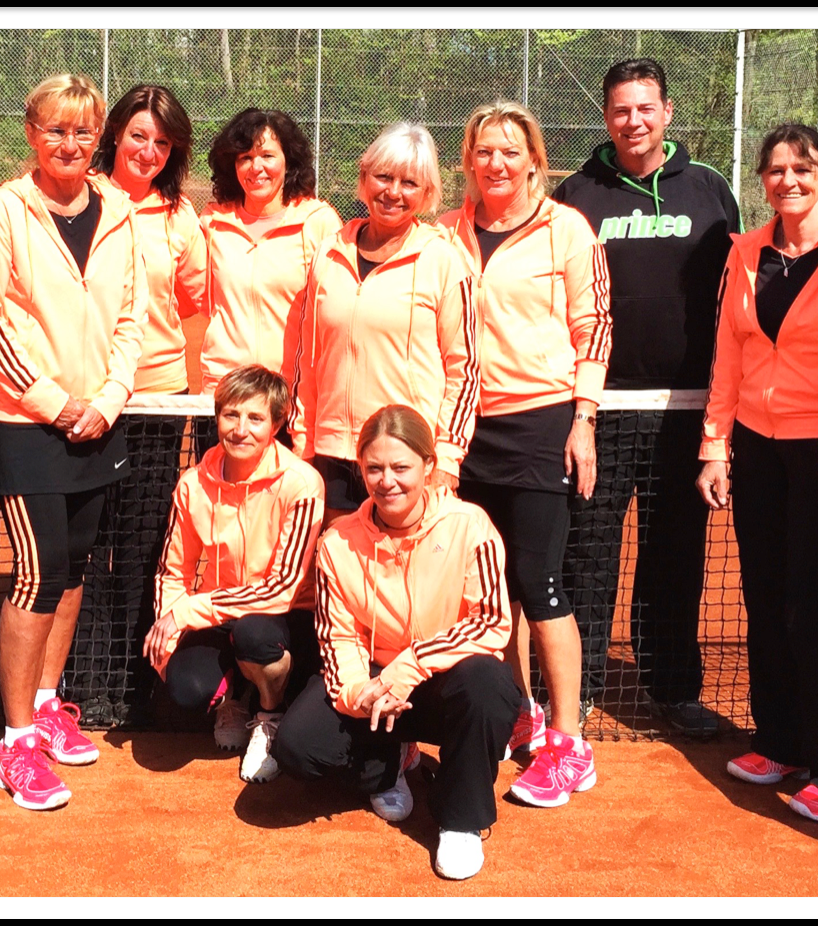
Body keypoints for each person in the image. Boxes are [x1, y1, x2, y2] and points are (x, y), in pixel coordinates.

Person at [695, 124, 818, 824]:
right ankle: (780, 740)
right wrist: (715, 445)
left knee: (815, 609)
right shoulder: (746, 251)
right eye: (776, 170)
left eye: (803, 168)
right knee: (764, 597)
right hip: (756, 445)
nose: (789, 181)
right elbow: (729, 352)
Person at [0, 73, 144, 811]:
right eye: (55, 130)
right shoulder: (2, 210)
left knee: (70, 573)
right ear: (31, 134)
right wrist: (54, 403)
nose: (69, 144)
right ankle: (14, 744)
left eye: (82, 131)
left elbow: (132, 315)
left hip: (99, 419)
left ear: (98, 138)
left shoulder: (120, 210)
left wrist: (107, 399)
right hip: (25, 423)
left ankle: (43, 706)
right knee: (37, 576)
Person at [553, 58, 740, 736]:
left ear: (666, 112)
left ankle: (673, 688)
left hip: (685, 412)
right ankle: (576, 688)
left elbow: (732, 293)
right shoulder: (576, 193)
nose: (633, 121)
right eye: (620, 110)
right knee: (587, 553)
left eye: (645, 108)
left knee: (674, 557)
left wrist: (721, 417)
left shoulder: (709, 188)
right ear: (605, 117)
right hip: (598, 409)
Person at [439, 100, 611, 807]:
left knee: (539, 582)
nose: (496, 163)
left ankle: (569, 742)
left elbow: (594, 325)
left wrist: (583, 418)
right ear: (468, 160)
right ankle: (520, 710)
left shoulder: (565, 228)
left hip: (542, 422)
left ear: (534, 159)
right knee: (492, 586)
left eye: (510, 150)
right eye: (484, 151)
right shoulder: (445, 231)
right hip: (465, 427)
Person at [273, 405, 519, 881]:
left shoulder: (470, 525)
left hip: (445, 679)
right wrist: (358, 695)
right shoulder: (336, 542)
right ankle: (388, 766)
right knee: (298, 746)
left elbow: (490, 622)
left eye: (401, 467)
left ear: (429, 465)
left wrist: (409, 668)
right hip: (377, 685)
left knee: (487, 683)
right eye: (375, 468)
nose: (387, 481)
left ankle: (461, 819)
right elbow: (338, 636)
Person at [82, 83, 208, 725]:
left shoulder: (181, 217)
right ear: (115, 135)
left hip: (158, 403)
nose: (148, 151)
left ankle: (130, 684)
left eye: (162, 142)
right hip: (88, 400)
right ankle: (82, 683)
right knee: (85, 544)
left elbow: (192, 308)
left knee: (140, 543)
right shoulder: (81, 197)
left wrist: (197, 399)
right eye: (138, 135)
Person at [290, 121, 477, 523]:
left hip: (406, 456)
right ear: (364, 178)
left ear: (427, 192)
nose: (394, 192)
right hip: (334, 453)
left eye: (409, 182)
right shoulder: (329, 253)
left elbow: (465, 369)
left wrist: (446, 457)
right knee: (336, 560)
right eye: (384, 177)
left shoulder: (444, 260)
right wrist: (303, 442)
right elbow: (308, 359)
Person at [145, 365, 325, 782]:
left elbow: (282, 588)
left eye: (256, 418)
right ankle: (234, 700)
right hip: (220, 612)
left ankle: (269, 714)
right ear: (217, 417)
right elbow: (172, 571)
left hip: (284, 617)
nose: (241, 429)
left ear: (276, 425)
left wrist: (186, 612)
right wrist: (170, 635)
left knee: (254, 636)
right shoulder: (192, 485)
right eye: (231, 415)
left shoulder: (302, 484)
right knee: (186, 688)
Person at [198, 107, 341, 402]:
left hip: (289, 396)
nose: (256, 167)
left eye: (267, 155)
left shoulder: (319, 222)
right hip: (225, 395)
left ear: (289, 161)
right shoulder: (212, 222)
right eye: (245, 157)